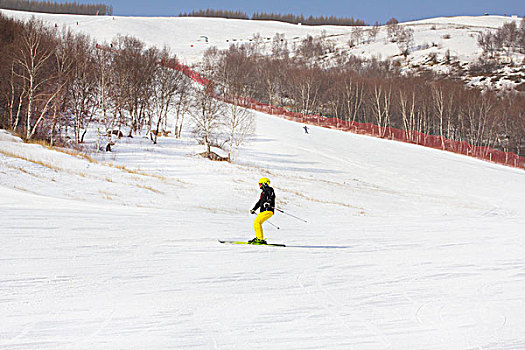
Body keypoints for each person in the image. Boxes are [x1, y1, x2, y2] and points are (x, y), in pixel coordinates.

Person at [249, 177, 275, 244]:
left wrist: (268, 202)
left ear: (265, 184)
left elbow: (271, 196)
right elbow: (259, 202)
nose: (259, 186)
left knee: (257, 222)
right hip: (263, 210)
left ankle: (260, 239)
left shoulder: (269, 189)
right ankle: (258, 238)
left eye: (260, 184)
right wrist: (254, 209)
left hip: (268, 210)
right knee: (256, 223)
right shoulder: (263, 192)